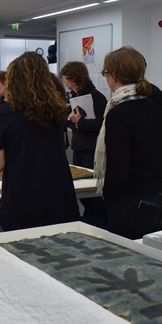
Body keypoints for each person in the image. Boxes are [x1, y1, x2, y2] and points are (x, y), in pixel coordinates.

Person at [0, 52, 80, 231]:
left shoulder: (4, 114)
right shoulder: (57, 110)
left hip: (23, 197)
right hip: (59, 197)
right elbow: (61, 144)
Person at [95, 47, 162, 240]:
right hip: (156, 198)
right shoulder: (153, 107)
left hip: (130, 203)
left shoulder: (118, 112)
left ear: (113, 75)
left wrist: (109, 195)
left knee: (125, 258)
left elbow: (118, 167)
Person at [60, 61, 108, 224]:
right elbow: (71, 122)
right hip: (79, 147)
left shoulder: (96, 97)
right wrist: (73, 121)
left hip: (91, 149)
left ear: (75, 78)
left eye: (66, 78)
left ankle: (101, 222)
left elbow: (102, 125)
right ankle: (91, 220)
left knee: (94, 191)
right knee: (82, 193)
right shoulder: (75, 97)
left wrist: (79, 122)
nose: (65, 82)